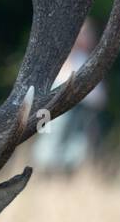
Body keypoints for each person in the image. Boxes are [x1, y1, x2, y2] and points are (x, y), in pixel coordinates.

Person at [32, 20, 107, 176]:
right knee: (50, 148)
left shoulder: (84, 58)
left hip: (77, 118)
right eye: (84, 33)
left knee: (72, 152)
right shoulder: (65, 59)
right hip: (59, 116)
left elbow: (99, 97)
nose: (89, 37)